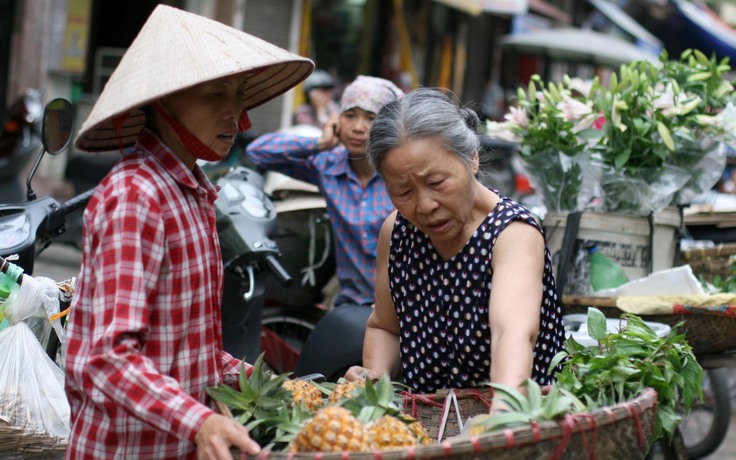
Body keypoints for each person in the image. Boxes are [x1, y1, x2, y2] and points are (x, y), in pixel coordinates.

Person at [63, 5, 313, 459]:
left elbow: (193, 353)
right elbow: (107, 358)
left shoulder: (194, 193)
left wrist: (285, 389)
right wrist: (200, 419)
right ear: (163, 101)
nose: (236, 116)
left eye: (238, 95)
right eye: (216, 95)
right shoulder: (136, 196)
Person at [345, 88, 566, 394]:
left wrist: (501, 417)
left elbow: (510, 335)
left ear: (472, 158)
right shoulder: (396, 231)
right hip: (428, 425)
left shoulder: (513, 233)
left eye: (436, 183)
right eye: (403, 192)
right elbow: (385, 326)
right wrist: (375, 375)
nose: (424, 205)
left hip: (514, 422)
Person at [247, 75, 403, 309]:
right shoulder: (328, 167)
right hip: (354, 304)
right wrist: (319, 143)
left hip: (404, 305)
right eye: (350, 116)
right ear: (337, 120)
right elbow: (258, 151)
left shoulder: (400, 171)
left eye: (371, 118)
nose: (358, 128)